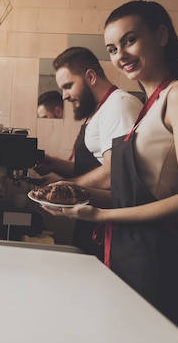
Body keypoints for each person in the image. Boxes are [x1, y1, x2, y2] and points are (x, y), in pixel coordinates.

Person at [41, 1, 178, 342]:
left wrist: (101, 214)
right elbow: (134, 193)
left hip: (155, 259)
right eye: (112, 48)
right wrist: (70, 199)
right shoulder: (144, 109)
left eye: (130, 40)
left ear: (161, 35)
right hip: (124, 252)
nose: (121, 54)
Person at [34, 47, 142, 256]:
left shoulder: (118, 106)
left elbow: (114, 174)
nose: (64, 96)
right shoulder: (99, 110)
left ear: (91, 76)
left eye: (68, 86)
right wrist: (55, 164)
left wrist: (62, 190)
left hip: (112, 230)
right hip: (90, 221)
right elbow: (91, 167)